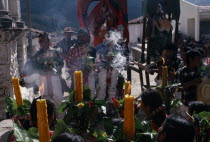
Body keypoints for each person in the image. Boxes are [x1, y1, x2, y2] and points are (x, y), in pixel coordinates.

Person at [22, 33, 64, 118]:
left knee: (58, 100)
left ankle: (61, 122)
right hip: (43, 81)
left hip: (54, 79)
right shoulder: (37, 55)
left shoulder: (55, 52)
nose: (41, 43)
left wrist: (56, 70)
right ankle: (49, 123)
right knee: (46, 102)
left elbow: (61, 63)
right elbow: (29, 65)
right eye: (40, 41)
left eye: (43, 41)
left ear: (48, 41)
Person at [94, 30, 126, 102]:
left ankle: (111, 104)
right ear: (106, 37)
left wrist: (114, 59)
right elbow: (97, 59)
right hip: (102, 68)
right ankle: (101, 105)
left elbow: (121, 59)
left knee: (112, 87)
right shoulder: (100, 46)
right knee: (102, 87)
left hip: (114, 69)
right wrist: (105, 58)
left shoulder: (118, 47)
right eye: (108, 36)